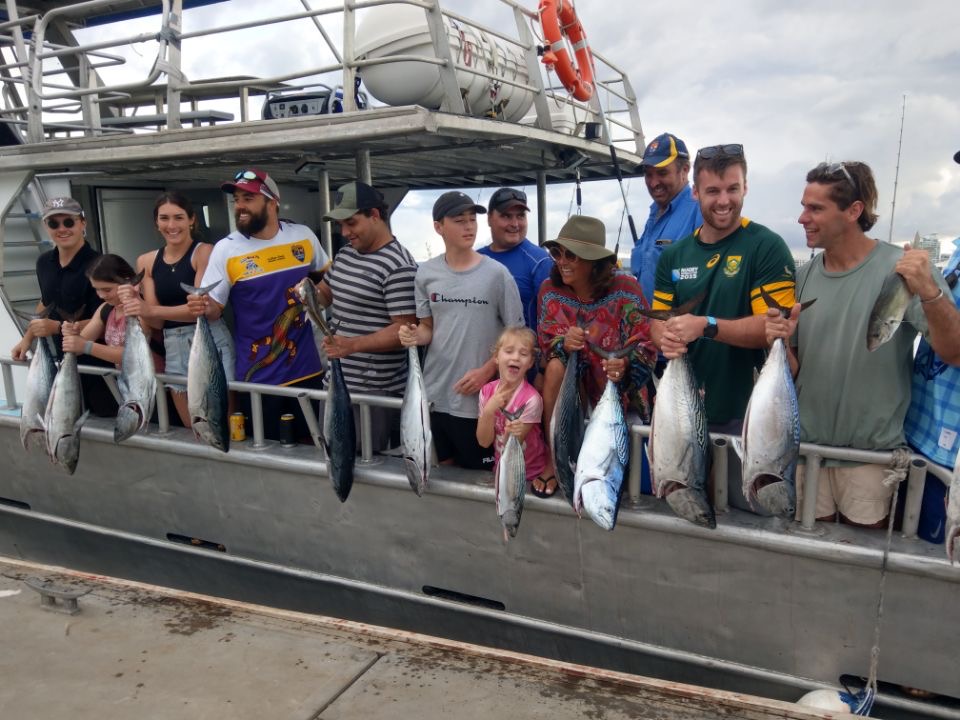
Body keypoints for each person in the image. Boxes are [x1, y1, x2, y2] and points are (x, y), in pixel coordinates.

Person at [766, 160, 960, 527]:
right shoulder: (802, 277)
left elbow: (953, 352)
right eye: (804, 206)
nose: (802, 218)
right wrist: (776, 345)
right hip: (807, 453)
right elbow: (796, 370)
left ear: (854, 211)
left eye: (815, 208)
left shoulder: (903, 269)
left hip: (872, 462)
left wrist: (931, 291)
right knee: (810, 566)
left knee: (861, 573)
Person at [650, 144, 795, 512]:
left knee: (747, 512)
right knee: (684, 505)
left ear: (746, 187)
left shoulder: (766, 246)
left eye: (733, 188)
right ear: (696, 192)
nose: (724, 200)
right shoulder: (674, 255)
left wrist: (706, 325)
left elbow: (771, 326)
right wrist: (665, 337)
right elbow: (657, 323)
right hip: (682, 410)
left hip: (745, 414)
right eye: (713, 191)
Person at [189, 168, 330, 442]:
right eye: (237, 200)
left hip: (309, 369)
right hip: (257, 378)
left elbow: (327, 289)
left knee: (312, 450)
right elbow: (215, 309)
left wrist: (317, 296)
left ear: (272, 201)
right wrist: (200, 306)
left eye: (248, 199)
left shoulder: (302, 236)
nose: (239, 206)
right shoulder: (226, 249)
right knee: (266, 450)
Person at [398, 191, 524, 471]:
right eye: (459, 220)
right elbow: (428, 328)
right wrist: (413, 335)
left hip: (479, 402)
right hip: (432, 396)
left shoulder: (497, 274)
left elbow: (517, 338)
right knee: (440, 475)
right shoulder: (425, 273)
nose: (469, 227)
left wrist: (486, 371)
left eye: (472, 220)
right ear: (438, 227)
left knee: (479, 478)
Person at [537, 215, 658, 496]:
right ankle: (555, 458)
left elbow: (645, 344)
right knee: (554, 368)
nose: (562, 261)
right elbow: (546, 345)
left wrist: (626, 365)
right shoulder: (549, 291)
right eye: (557, 253)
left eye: (572, 255)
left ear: (594, 261)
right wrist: (564, 344)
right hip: (573, 390)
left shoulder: (626, 289)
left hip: (619, 392)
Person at [313, 181, 417, 451]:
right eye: (341, 225)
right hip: (335, 383)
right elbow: (325, 293)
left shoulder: (399, 265)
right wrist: (305, 295)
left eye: (351, 223)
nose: (345, 232)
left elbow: (404, 330)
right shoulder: (347, 253)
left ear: (374, 216)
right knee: (332, 458)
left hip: (372, 394)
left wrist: (352, 345)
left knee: (364, 466)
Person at [118, 192, 235, 428]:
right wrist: (133, 301)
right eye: (164, 218)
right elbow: (157, 322)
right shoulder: (146, 261)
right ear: (156, 223)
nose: (171, 225)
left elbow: (197, 309)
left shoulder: (204, 252)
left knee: (226, 424)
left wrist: (148, 309)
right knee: (193, 427)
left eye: (179, 218)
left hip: (211, 339)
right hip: (173, 347)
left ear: (192, 220)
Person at [10, 196, 117, 416]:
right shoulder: (43, 263)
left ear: (82, 224)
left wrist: (56, 327)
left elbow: (109, 316)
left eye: (69, 222)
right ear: (46, 227)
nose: (62, 229)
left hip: (99, 366)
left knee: (105, 420)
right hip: (59, 363)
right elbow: (46, 303)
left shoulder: (100, 264)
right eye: (54, 223)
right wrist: (27, 338)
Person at [905, 233, 960, 545]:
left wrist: (927, 288)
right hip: (917, 435)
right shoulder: (957, 253)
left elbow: (955, 351)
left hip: (949, 461)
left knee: (933, 564)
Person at [477, 326, 554, 497]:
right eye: (509, 351)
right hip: (502, 469)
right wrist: (489, 410)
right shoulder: (486, 392)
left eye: (523, 354)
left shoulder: (531, 400)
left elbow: (511, 446)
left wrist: (512, 432)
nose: (516, 357)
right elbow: (483, 442)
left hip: (530, 474)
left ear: (531, 363)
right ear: (496, 357)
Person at [629, 133, 703, 304]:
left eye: (662, 173)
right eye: (648, 174)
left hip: (678, 326)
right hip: (648, 325)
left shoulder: (699, 209)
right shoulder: (654, 212)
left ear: (684, 170)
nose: (653, 183)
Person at [61, 254, 157, 369]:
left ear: (127, 282)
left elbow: (133, 353)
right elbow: (78, 348)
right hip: (125, 382)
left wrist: (87, 347)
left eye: (107, 289)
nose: (101, 295)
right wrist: (73, 335)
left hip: (152, 381)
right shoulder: (105, 309)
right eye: (96, 289)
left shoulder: (141, 309)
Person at [477, 187, 551, 332]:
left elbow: (554, 323)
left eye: (520, 216)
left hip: (520, 352)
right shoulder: (475, 258)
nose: (515, 224)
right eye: (506, 216)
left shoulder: (541, 262)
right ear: (489, 218)